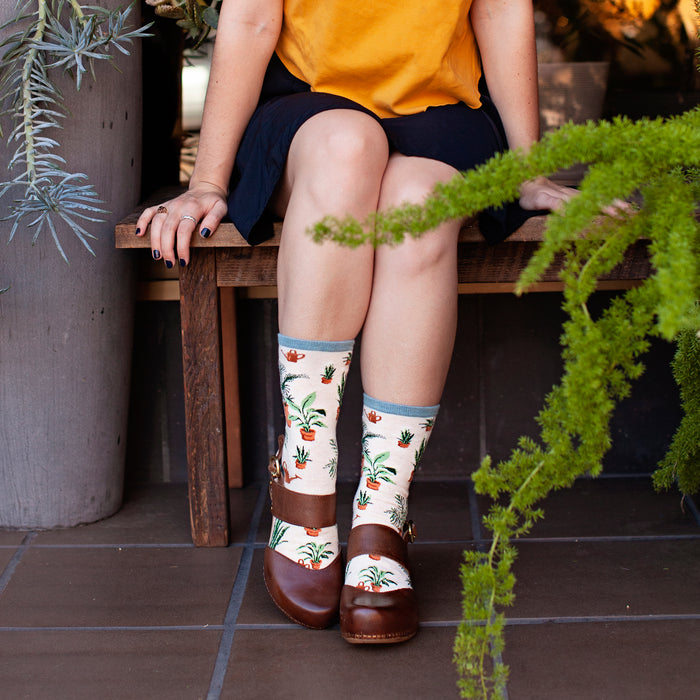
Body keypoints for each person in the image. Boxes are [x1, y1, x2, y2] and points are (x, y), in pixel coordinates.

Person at [136, 0, 577, 644]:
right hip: (309, 110)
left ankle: (383, 515)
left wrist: (529, 169)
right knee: (349, 147)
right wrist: (208, 180)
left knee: (421, 207)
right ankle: (304, 475)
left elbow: (501, 13)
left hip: (444, 115)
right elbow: (254, 19)